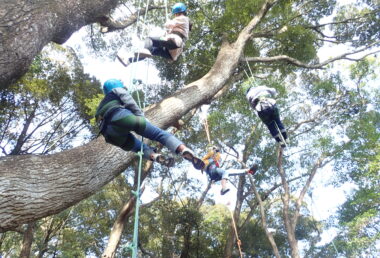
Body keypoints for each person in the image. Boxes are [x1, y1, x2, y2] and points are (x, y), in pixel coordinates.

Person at [95, 79, 204, 169]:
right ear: (116, 85)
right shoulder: (116, 90)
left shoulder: (100, 107)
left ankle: (154, 156)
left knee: (139, 148)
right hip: (120, 117)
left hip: (109, 135)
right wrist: (140, 117)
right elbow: (128, 100)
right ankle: (182, 149)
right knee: (159, 134)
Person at [117, 2, 190, 66]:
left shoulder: (183, 18)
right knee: (150, 50)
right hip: (171, 53)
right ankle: (129, 61)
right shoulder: (182, 24)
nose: (176, 16)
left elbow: (168, 24)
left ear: (180, 13)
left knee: (150, 39)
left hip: (173, 42)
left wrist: (168, 22)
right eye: (176, 14)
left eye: (176, 14)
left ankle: (145, 50)